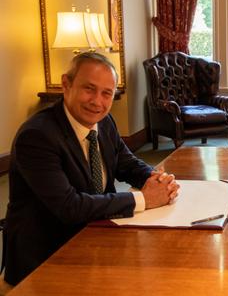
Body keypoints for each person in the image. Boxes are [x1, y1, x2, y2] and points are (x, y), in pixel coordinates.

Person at [3, 52, 180, 286]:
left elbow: (126, 163)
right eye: (89, 88)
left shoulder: (104, 121)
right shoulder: (37, 136)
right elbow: (69, 207)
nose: (97, 101)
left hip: (96, 233)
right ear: (66, 84)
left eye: (107, 93)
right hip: (47, 254)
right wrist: (144, 199)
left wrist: (156, 178)